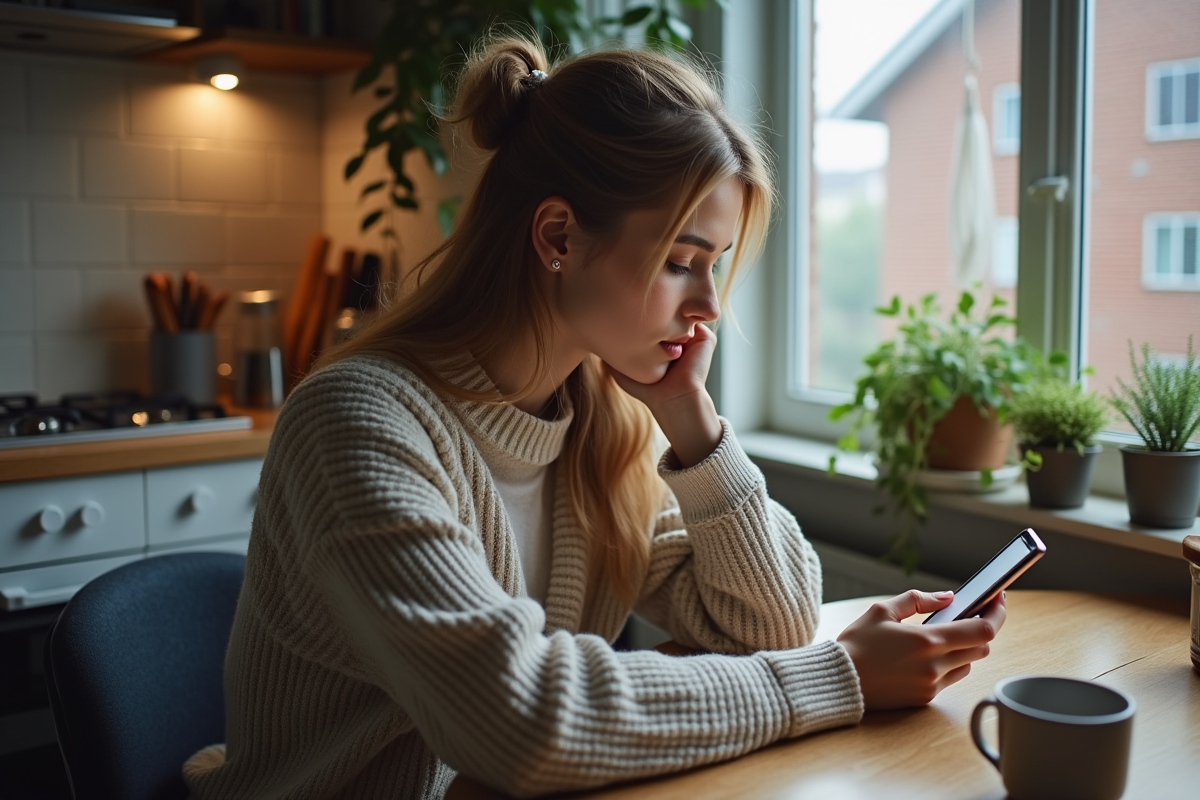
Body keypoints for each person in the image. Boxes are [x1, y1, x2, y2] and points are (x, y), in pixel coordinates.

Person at [184, 33, 1005, 800]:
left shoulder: (604, 420)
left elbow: (774, 625)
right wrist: (843, 678)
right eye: (682, 262)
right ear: (558, 236)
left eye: (714, 266)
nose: (709, 306)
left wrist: (692, 420)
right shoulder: (358, 424)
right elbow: (519, 720)